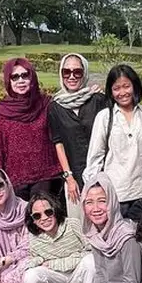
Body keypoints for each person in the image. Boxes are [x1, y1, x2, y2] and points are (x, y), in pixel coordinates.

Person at [84, 64, 142, 217]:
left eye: (126, 86)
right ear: (110, 91)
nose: (122, 93)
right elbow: (95, 157)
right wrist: (95, 192)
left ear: (134, 86)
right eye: (116, 88)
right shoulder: (105, 117)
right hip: (116, 194)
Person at [0, 58, 63, 201]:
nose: (20, 81)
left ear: (32, 78)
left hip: (46, 177)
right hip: (15, 181)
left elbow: (59, 138)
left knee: (43, 219)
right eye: (15, 77)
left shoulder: (46, 105)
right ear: (8, 81)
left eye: (25, 75)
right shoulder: (2, 112)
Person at [48, 53, 108, 223]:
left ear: (85, 73)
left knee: (104, 219)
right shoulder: (55, 106)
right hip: (73, 174)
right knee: (80, 222)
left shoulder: (98, 100)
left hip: (100, 172)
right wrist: (69, 177)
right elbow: (58, 143)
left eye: (77, 72)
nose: (72, 76)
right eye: (66, 72)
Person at [21, 193, 96, 283]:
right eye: (37, 216)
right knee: (30, 277)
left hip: (80, 274)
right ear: (33, 220)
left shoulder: (72, 224)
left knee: (91, 260)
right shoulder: (34, 238)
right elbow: (35, 258)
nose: (44, 218)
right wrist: (35, 262)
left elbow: (92, 251)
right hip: (59, 279)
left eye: (48, 212)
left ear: (55, 210)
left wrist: (54, 263)